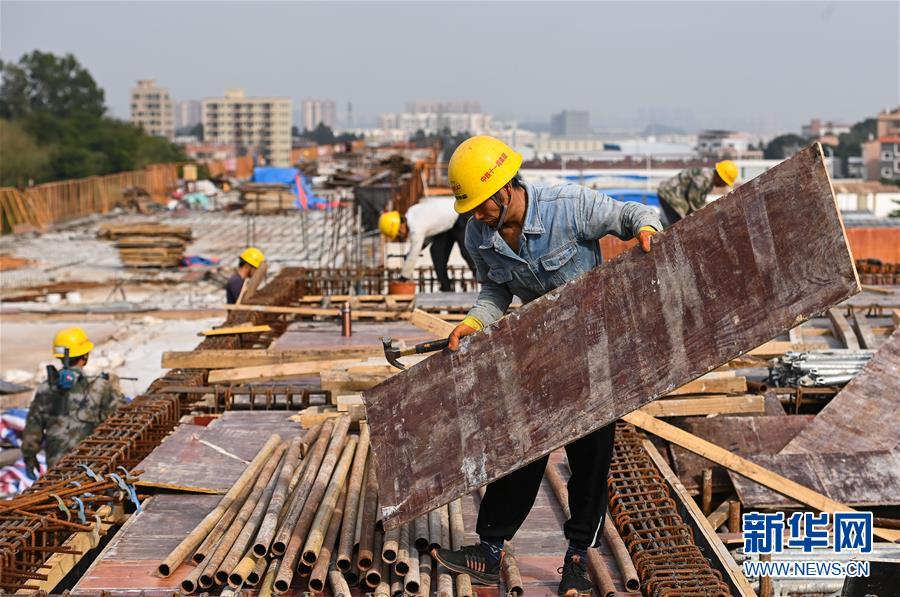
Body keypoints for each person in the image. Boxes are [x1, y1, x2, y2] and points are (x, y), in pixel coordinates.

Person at [431, 135, 661, 597]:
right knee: (521, 443)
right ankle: (490, 549)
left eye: (482, 206)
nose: (477, 217)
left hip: (598, 346)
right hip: (545, 350)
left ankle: (578, 558)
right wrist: (475, 321)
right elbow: (496, 291)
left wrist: (648, 232)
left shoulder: (567, 206)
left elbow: (630, 214)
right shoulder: (480, 236)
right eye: (471, 209)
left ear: (505, 189)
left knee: (590, 456)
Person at [21, 327, 126, 476]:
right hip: (93, 466)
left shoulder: (45, 388)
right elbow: (119, 424)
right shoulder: (99, 387)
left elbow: (33, 429)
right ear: (85, 356)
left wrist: (29, 458)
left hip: (57, 467)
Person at [379, 198, 477, 292]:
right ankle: (446, 287)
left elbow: (414, 253)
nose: (401, 236)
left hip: (460, 215)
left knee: (467, 251)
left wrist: (403, 277)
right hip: (447, 225)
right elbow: (431, 230)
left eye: (398, 234)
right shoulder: (412, 212)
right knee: (437, 251)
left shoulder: (416, 228)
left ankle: (485, 282)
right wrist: (413, 252)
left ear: (400, 227)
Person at [656, 160, 738, 228]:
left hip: (672, 195)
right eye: (725, 182)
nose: (724, 185)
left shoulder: (709, 178)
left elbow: (698, 201)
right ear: (721, 178)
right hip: (670, 195)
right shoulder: (705, 178)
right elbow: (694, 200)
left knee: (681, 224)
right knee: (678, 226)